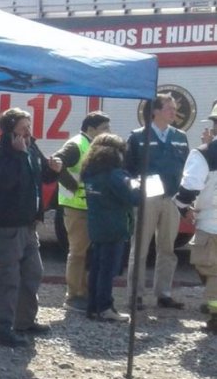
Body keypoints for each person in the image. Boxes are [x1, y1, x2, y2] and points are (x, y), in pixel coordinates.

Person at [0, 107, 62, 347]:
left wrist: (53, 171)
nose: (28, 131)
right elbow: (5, 182)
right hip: (6, 225)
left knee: (33, 272)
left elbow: (41, 176)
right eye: (23, 127)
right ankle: (2, 329)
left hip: (29, 224)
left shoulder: (31, 147)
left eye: (29, 126)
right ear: (10, 131)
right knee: (8, 278)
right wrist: (18, 155)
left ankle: (24, 321)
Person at [125, 93, 190, 310]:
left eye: (174, 109)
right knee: (140, 248)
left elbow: (186, 168)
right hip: (147, 199)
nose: (174, 112)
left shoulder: (180, 137)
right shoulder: (137, 137)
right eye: (169, 108)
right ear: (155, 111)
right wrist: (137, 192)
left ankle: (164, 294)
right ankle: (135, 295)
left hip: (172, 198)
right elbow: (128, 169)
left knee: (167, 249)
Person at [51, 111, 113, 312]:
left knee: (86, 252)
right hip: (77, 207)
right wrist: (73, 186)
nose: (108, 131)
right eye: (104, 128)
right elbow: (56, 163)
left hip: (89, 206)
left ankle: (84, 292)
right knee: (78, 252)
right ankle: (73, 295)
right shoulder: (76, 144)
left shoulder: (93, 144)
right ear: (91, 129)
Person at [83, 133, 141, 322]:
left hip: (96, 226)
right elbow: (134, 198)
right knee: (108, 270)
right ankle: (105, 307)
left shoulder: (90, 172)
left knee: (96, 268)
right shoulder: (115, 175)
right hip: (115, 226)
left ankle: (92, 307)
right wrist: (140, 186)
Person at [174, 101, 217, 307]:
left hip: (210, 224)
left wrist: (183, 207)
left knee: (211, 270)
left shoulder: (204, 153)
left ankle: (214, 313)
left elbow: (189, 187)